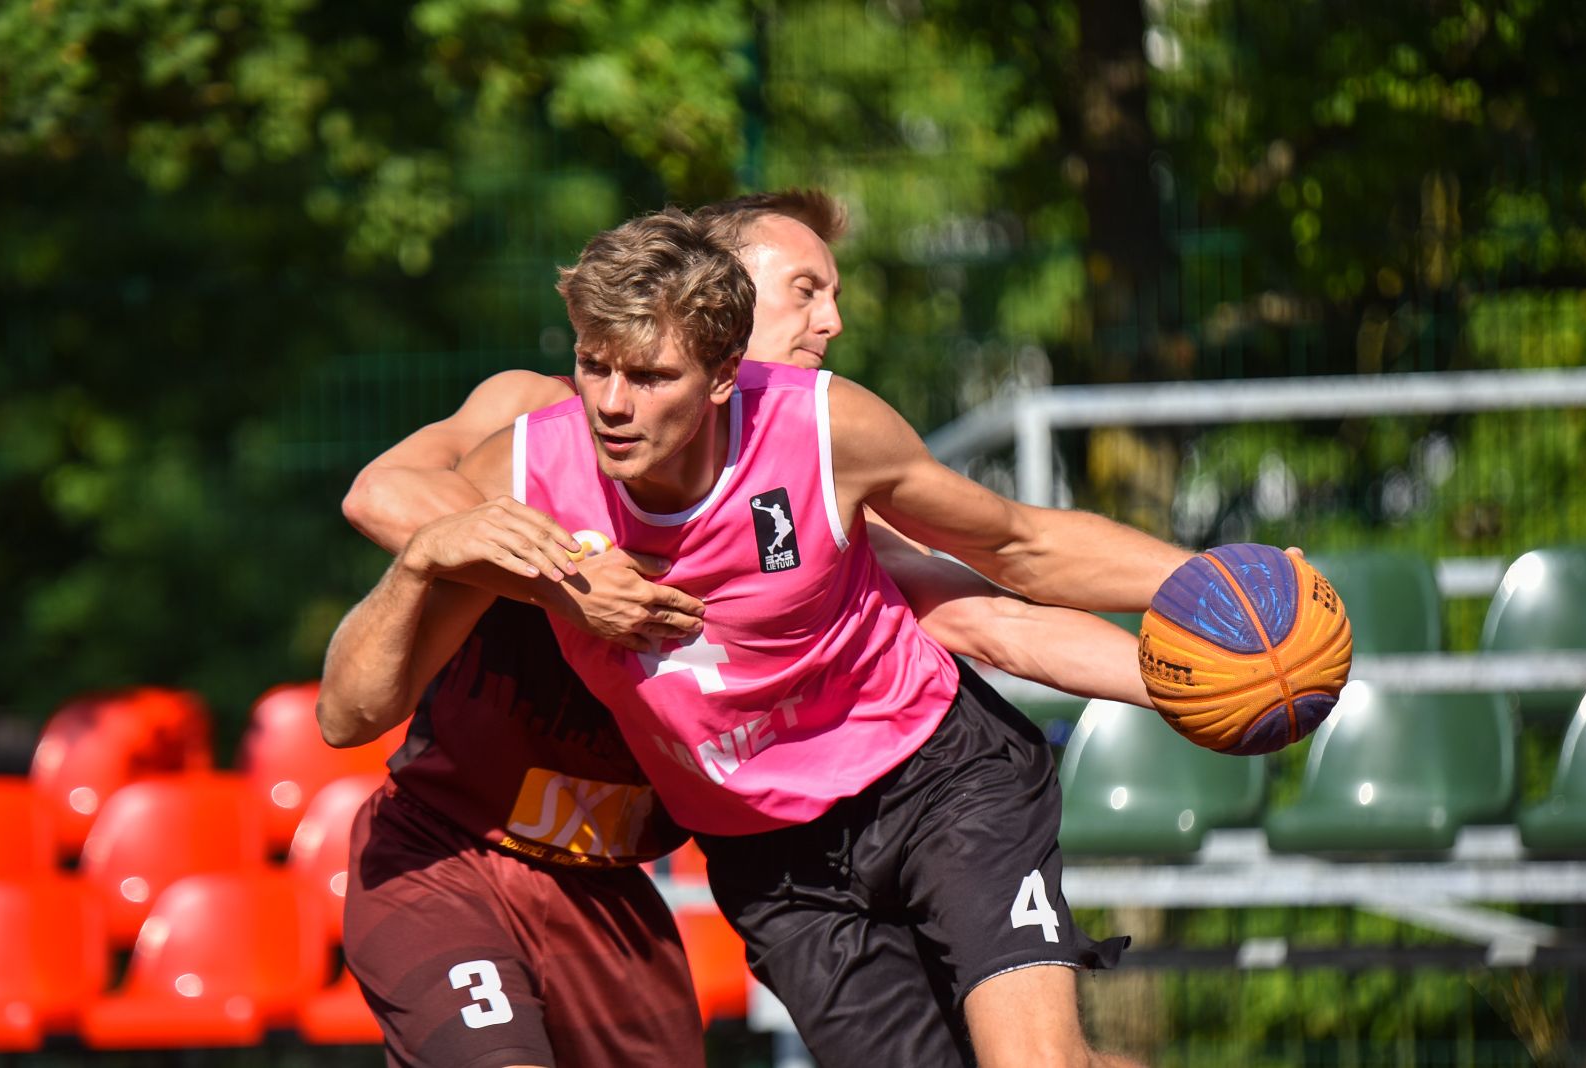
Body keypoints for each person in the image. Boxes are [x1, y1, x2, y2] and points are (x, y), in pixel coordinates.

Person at [326, 207, 1186, 1067]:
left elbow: (997, 589)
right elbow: (383, 513)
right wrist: (558, 577)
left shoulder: (824, 441)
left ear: (723, 365)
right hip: (649, 849)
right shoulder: (536, 445)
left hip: (913, 786)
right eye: (804, 290)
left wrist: (1209, 628)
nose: (829, 322)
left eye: (649, 374)